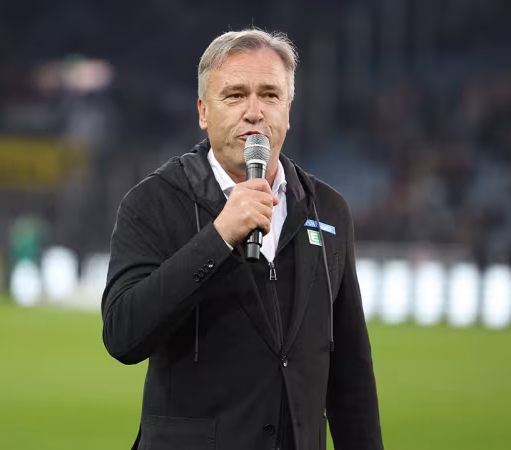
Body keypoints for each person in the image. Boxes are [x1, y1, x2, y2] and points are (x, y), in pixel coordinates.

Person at [102, 28, 383, 450]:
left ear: (288, 110)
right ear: (203, 111)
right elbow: (123, 335)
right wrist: (218, 237)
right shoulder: (153, 203)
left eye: (270, 95)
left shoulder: (328, 210)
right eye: (235, 96)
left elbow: (351, 374)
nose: (254, 112)